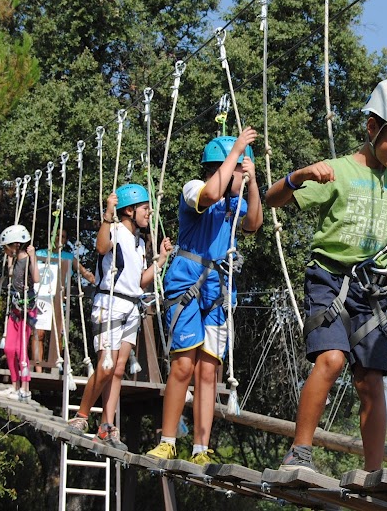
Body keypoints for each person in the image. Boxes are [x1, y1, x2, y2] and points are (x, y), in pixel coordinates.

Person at [265, 78, 387, 473]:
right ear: (371, 128)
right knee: (330, 359)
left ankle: (374, 471)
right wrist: (300, 175)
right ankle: (300, 452)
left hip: (371, 291)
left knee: (371, 381)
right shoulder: (340, 172)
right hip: (329, 278)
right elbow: (272, 199)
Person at [147, 127, 263, 465]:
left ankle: (201, 448)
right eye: (239, 172)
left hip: (219, 286)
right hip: (186, 281)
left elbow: (254, 224)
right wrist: (238, 150)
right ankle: (168, 440)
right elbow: (210, 195)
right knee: (184, 364)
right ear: (222, 166)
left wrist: (252, 183)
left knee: (209, 370)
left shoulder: (235, 202)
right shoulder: (195, 188)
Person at [67, 184, 172, 450]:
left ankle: (105, 426)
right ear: (130, 210)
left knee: (118, 369)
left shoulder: (138, 243)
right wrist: (107, 214)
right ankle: (80, 418)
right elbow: (101, 247)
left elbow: (140, 282)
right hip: (110, 303)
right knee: (105, 366)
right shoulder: (114, 230)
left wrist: (160, 261)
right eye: (145, 208)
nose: (150, 213)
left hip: (130, 305)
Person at [33, 229, 95, 373]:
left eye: (64, 237)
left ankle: (56, 366)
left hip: (59, 300)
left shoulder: (69, 257)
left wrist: (98, 282)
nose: (60, 239)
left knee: (58, 335)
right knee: (38, 334)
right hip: (41, 299)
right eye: (58, 235)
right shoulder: (39, 254)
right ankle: (38, 369)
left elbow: (84, 272)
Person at [0, 224, 39, 402]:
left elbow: (36, 279)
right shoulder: (15, 259)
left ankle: (25, 388)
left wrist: (34, 257)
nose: (4, 251)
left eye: (6, 247)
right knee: (9, 348)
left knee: (21, 349)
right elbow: (13, 275)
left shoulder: (27, 259)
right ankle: (14, 385)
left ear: (15, 245)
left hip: (27, 310)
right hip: (15, 310)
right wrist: (10, 262)